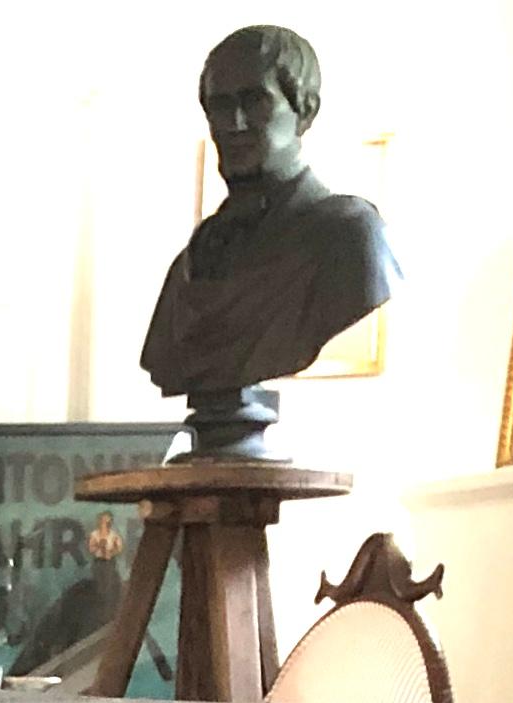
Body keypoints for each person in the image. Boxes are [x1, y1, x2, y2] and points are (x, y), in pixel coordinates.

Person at [141, 24, 397, 458]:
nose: (234, 124)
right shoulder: (191, 262)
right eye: (220, 107)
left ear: (306, 110)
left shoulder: (349, 237)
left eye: (254, 101)